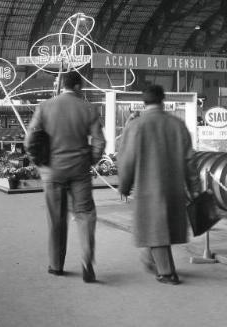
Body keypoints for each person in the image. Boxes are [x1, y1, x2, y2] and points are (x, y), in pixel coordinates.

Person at [26, 71, 106, 283]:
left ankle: (56, 266)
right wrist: (91, 160)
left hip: (53, 171)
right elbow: (99, 142)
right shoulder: (88, 108)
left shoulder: (44, 107)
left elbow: (30, 141)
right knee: (85, 215)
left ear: (62, 85)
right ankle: (87, 261)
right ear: (78, 87)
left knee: (56, 219)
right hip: (79, 170)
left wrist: (40, 164)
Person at [118, 85, 202, 285]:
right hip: (174, 188)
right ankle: (151, 259)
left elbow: (127, 160)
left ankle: (167, 273)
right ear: (163, 100)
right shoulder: (177, 124)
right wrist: (195, 188)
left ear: (143, 102)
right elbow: (190, 161)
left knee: (154, 230)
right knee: (159, 229)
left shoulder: (136, 125)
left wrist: (124, 185)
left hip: (148, 189)